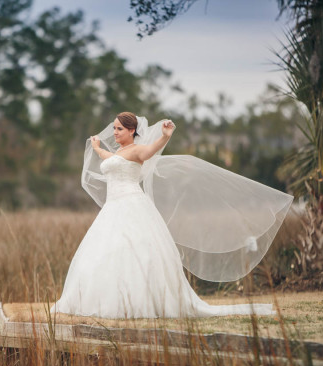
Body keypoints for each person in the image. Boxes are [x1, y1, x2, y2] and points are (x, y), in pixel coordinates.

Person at [50, 112, 293, 318]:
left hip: (131, 204)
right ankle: (102, 300)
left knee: (137, 252)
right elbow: (109, 159)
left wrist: (165, 137)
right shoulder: (116, 154)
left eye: (119, 129)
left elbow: (149, 152)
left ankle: (140, 302)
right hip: (113, 208)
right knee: (106, 251)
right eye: (114, 128)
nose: (114, 132)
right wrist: (96, 149)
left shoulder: (137, 151)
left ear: (132, 130)